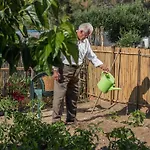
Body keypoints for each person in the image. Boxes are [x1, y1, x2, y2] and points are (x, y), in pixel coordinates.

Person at [52, 23, 109, 124]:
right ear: (81, 31)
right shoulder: (67, 38)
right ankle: (56, 121)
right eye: (86, 34)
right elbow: (56, 54)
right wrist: (55, 70)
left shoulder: (85, 42)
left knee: (73, 95)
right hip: (64, 69)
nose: (87, 37)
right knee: (59, 96)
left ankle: (71, 119)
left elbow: (91, 55)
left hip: (76, 70)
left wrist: (101, 65)